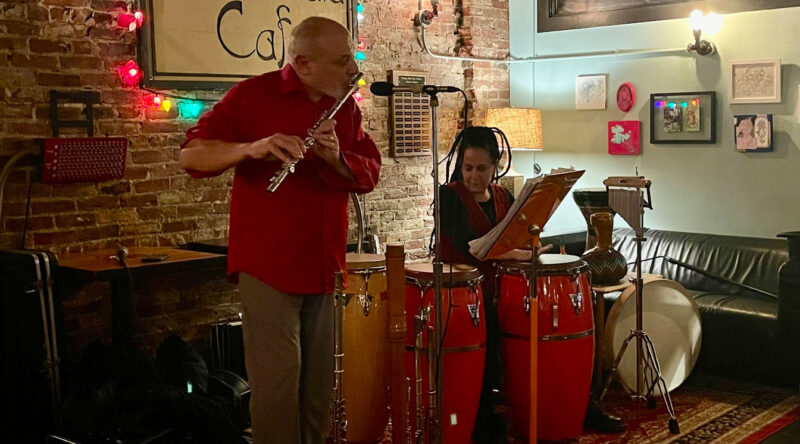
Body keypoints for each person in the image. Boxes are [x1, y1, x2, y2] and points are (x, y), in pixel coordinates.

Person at [179, 17, 381, 444]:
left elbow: (368, 172)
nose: (353, 71)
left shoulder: (344, 106)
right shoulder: (253, 96)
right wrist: (252, 148)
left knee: (319, 391)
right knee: (277, 389)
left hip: (324, 262)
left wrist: (335, 157)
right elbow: (192, 155)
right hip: (269, 263)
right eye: (343, 61)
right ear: (304, 64)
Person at [438, 127, 623, 443]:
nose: (473, 176)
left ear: (496, 166)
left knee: (551, 337)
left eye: (481, 168)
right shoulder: (448, 196)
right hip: (467, 300)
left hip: (505, 292)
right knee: (498, 338)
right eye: (467, 167)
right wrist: (517, 252)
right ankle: (488, 417)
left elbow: (519, 236)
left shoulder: (503, 196)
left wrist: (530, 246)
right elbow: (469, 243)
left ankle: (576, 405)